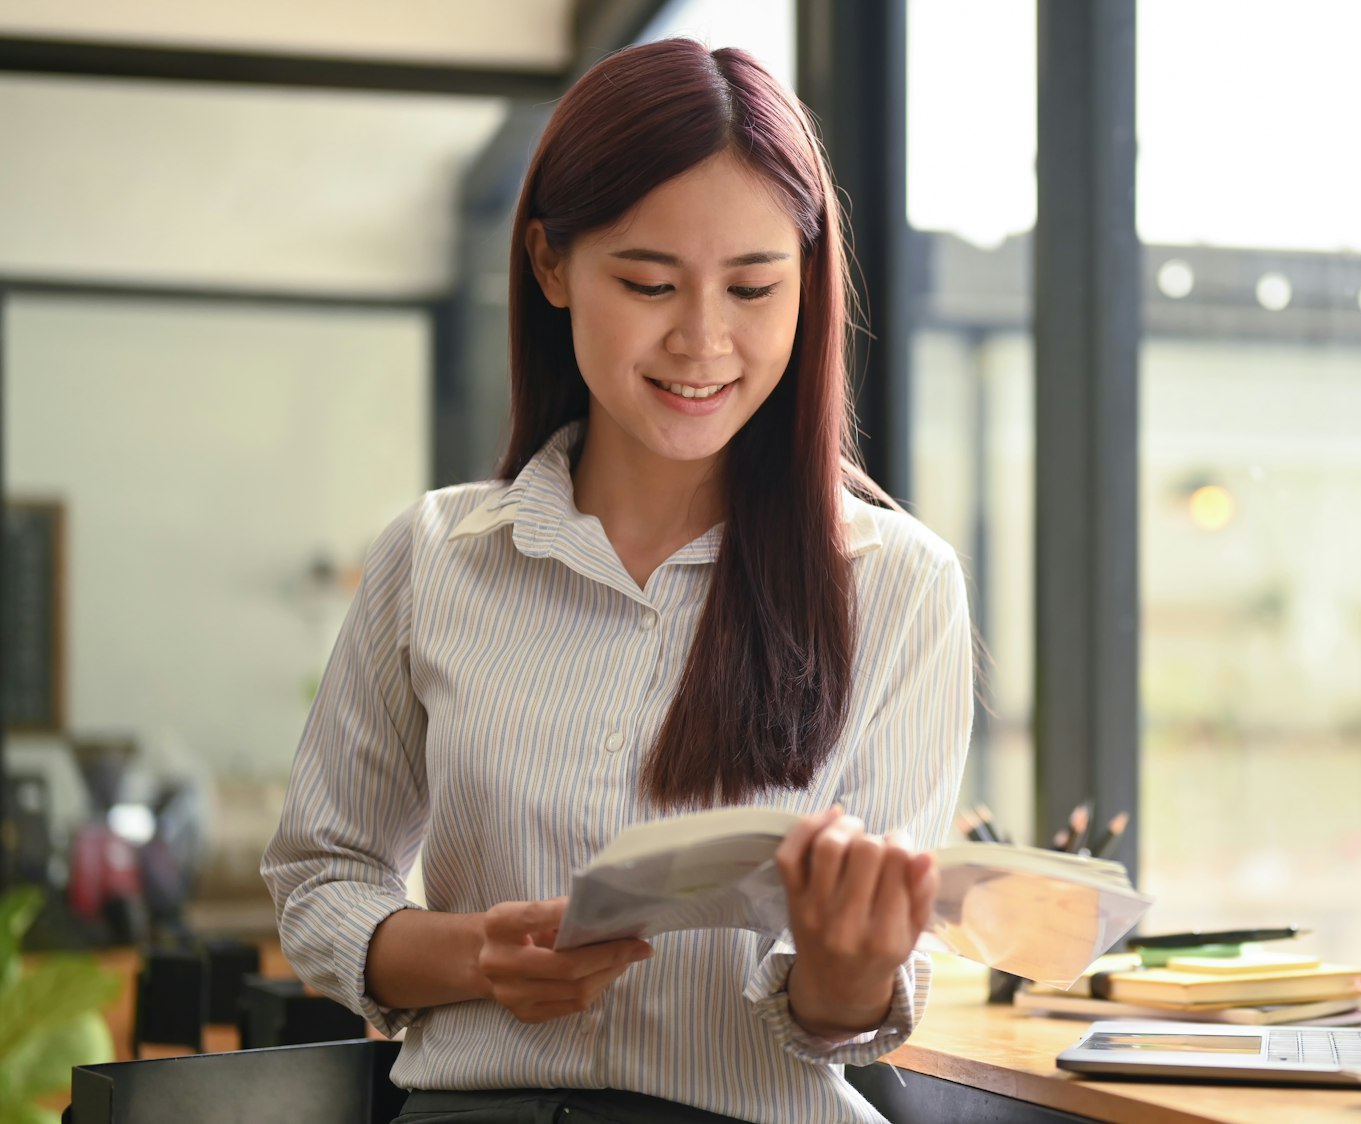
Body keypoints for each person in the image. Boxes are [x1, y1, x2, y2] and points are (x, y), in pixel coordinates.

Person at [262, 37, 972, 1124]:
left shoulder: (897, 584)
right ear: (551, 265)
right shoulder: (436, 555)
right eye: (647, 282)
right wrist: (467, 957)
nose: (703, 339)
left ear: (808, 281)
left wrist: (844, 971)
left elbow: (854, 1016)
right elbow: (322, 873)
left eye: (751, 286)